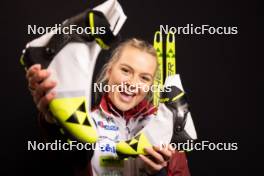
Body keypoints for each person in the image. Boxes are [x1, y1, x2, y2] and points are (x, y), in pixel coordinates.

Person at [26, 38, 190, 176]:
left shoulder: (166, 129)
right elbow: (66, 164)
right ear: (110, 71)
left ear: (150, 86)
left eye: (144, 78)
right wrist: (54, 120)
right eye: (126, 70)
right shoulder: (85, 123)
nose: (132, 84)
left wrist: (157, 173)